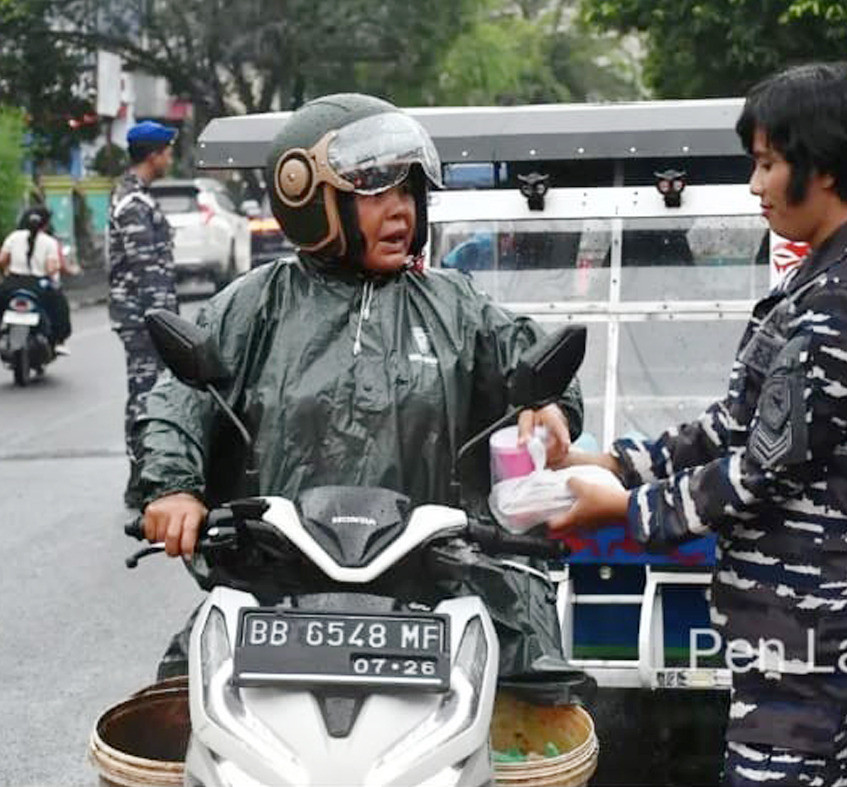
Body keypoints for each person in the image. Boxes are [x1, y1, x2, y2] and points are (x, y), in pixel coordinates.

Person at [547, 64, 847, 787]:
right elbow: (734, 422)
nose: (754, 186)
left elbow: (760, 468)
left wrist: (623, 510)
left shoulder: (845, 303)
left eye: (767, 164)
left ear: (822, 165)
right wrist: (613, 463)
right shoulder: (820, 277)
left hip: (811, 611)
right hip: (790, 604)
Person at [134, 94, 584, 685]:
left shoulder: (455, 305)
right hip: (277, 589)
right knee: (171, 719)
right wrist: (172, 488)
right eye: (377, 192)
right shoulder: (255, 304)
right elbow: (181, 397)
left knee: (539, 712)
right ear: (309, 198)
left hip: (436, 584)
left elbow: (535, 360)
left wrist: (547, 404)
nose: (400, 211)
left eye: (408, 192)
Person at [108, 120, 180, 509]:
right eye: (167, 151)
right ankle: (140, 480)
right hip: (142, 316)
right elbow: (146, 270)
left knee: (149, 392)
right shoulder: (133, 204)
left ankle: (146, 474)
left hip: (143, 314)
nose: (170, 157)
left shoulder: (136, 197)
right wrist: (165, 323)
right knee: (144, 395)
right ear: (153, 154)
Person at [0, 206, 72, 352]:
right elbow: (51, 269)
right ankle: (58, 341)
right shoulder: (49, 242)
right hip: (38, 285)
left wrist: (7, 272)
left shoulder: (13, 237)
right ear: (45, 224)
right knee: (60, 308)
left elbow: (2, 260)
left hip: (12, 283)